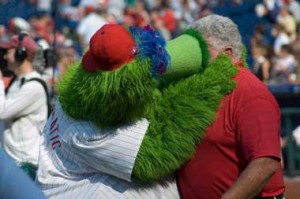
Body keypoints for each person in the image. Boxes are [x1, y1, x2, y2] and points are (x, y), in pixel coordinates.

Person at [176, 15, 285, 199]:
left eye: (202, 52)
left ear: (226, 55)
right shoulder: (204, 89)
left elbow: (266, 162)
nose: (195, 59)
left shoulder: (251, 93)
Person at [0, 32, 48, 179]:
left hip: (25, 165)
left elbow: (1, 112)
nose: (5, 57)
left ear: (21, 54)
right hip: (13, 162)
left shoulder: (34, 86)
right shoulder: (18, 81)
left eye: (8, 51)